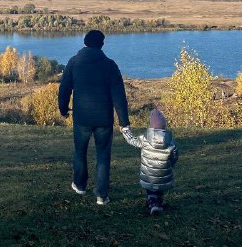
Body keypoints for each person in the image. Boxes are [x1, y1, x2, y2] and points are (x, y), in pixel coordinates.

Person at [58, 29, 130, 205]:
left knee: (79, 152)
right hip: (104, 119)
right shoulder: (110, 65)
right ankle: (101, 195)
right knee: (103, 156)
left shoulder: (74, 62)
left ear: (84, 42)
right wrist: (124, 122)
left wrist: (63, 110)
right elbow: (119, 96)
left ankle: (80, 185)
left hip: (82, 118)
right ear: (102, 45)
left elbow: (64, 89)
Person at [121, 109, 179, 215]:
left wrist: (125, 131)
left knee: (151, 189)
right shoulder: (171, 141)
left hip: (148, 174)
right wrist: (171, 164)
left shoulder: (145, 139)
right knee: (160, 188)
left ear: (151, 125)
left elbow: (132, 140)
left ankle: (152, 203)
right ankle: (159, 203)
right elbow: (174, 156)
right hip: (163, 173)